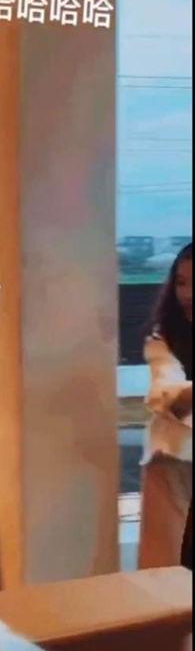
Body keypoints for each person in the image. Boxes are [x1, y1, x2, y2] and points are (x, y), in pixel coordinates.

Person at [139, 242, 192, 570]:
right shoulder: (163, 338)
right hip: (174, 464)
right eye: (181, 282)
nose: (187, 294)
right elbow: (167, 394)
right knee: (168, 572)